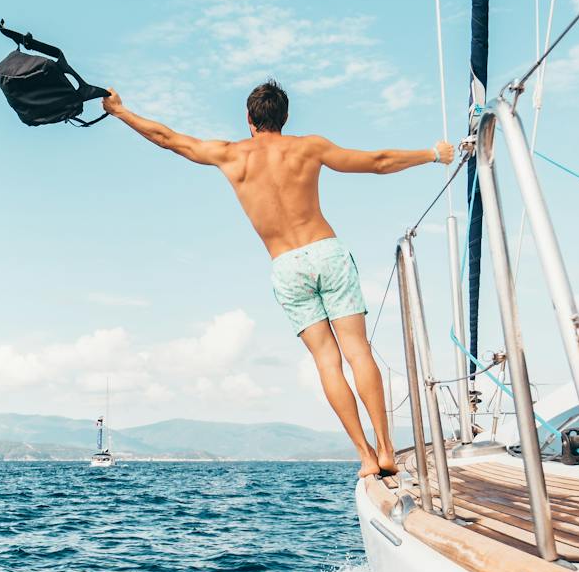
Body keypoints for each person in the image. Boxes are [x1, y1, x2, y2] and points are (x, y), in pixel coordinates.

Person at [102, 80, 455, 478]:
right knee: (358, 350)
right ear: (284, 118)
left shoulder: (230, 155)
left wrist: (120, 111)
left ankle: (366, 456)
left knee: (327, 361)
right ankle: (388, 449)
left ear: (250, 120)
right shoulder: (309, 147)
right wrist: (431, 154)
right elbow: (378, 160)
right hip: (327, 251)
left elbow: (167, 138)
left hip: (287, 264)